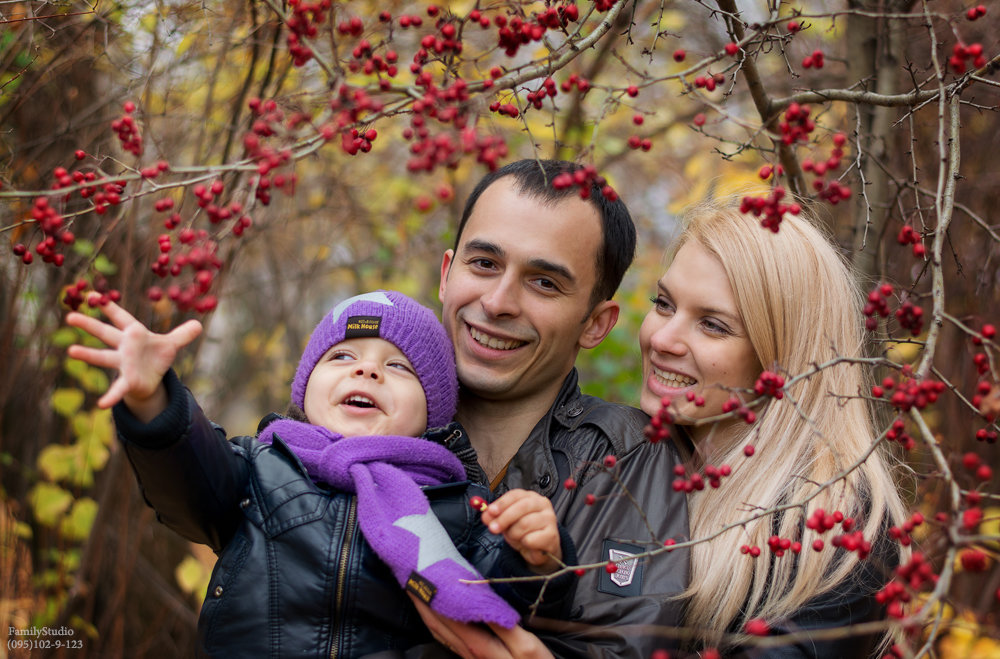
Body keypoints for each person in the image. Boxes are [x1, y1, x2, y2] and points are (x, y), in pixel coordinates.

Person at [66, 290, 579, 658]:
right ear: (306, 389)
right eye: (343, 356)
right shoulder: (259, 469)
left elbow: (503, 595)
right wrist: (153, 397)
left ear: (434, 413)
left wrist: (537, 554)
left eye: (399, 367)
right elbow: (185, 479)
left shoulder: (451, 504)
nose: (367, 370)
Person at [420, 159, 691, 657]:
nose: (499, 302)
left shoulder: (627, 459)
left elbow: (624, 648)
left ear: (595, 324)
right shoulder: (360, 410)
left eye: (544, 282)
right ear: (446, 273)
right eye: (484, 264)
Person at [638, 202, 909, 656]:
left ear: (780, 356)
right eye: (664, 304)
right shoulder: (623, 459)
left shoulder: (836, 530)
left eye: (712, 325)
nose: (662, 339)